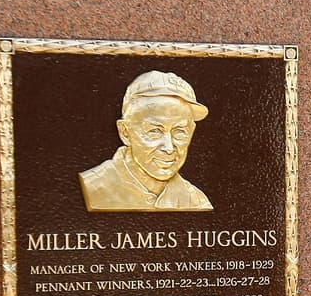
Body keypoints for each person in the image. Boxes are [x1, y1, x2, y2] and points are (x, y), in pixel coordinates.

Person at [80, 70, 213, 212]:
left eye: (179, 132)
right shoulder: (92, 187)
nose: (169, 147)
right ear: (125, 133)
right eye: (155, 131)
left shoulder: (197, 201)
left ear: (191, 132)